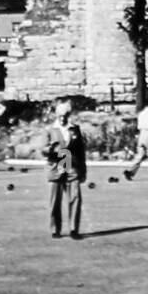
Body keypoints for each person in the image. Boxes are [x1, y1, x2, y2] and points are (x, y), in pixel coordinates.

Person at [45, 101, 87, 239]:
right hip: (56, 166)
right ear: (56, 115)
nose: (62, 118)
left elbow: (81, 151)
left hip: (71, 165)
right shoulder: (50, 129)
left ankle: (74, 229)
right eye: (60, 115)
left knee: (75, 197)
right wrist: (51, 149)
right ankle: (55, 229)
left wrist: (83, 170)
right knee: (55, 200)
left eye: (65, 115)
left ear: (68, 115)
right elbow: (43, 149)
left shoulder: (75, 129)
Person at [124, 95, 148, 181]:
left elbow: (139, 126)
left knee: (141, 154)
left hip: (141, 134)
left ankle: (130, 170)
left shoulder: (141, 113)